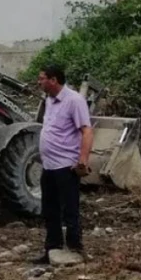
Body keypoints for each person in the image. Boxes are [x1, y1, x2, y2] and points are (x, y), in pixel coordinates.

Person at [35, 64, 94, 264]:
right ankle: (52, 248)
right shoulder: (49, 100)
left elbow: (86, 131)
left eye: (42, 78)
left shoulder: (74, 101)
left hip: (66, 166)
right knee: (49, 209)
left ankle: (75, 248)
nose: (39, 81)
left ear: (53, 80)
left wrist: (83, 160)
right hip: (49, 165)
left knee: (70, 209)